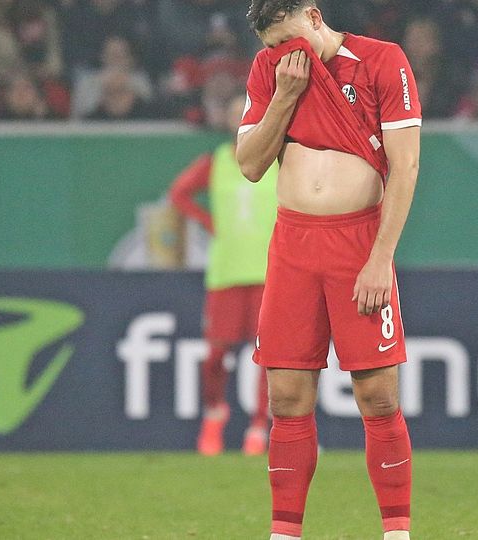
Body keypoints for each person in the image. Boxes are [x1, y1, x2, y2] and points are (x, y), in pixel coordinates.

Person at [236, 1, 421, 539]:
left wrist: (380, 258)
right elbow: (250, 164)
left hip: (358, 243)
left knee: (378, 395)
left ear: (313, 17)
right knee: (286, 398)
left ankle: (396, 532)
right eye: (272, 46)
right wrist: (285, 96)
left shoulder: (382, 61)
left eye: (286, 38)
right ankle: (284, 533)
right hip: (293, 246)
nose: (281, 53)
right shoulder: (270, 72)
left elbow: (406, 165)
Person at [168, 93, 276, 455]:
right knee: (215, 355)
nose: (241, 117)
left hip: (268, 273)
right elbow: (179, 194)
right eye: (234, 113)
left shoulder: (278, 159)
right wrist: (208, 222)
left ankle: (259, 427)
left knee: (267, 356)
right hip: (226, 272)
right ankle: (215, 411)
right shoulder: (215, 162)